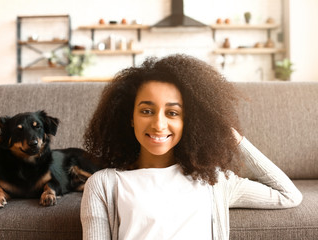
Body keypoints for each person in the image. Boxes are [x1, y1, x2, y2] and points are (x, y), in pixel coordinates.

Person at [81, 54, 302, 240]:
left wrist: (233, 137)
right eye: (146, 111)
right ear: (130, 117)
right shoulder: (103, 184)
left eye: (173, 113)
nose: (159, 124)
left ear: (190, 122)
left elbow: (288, 195)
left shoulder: (214, 181)